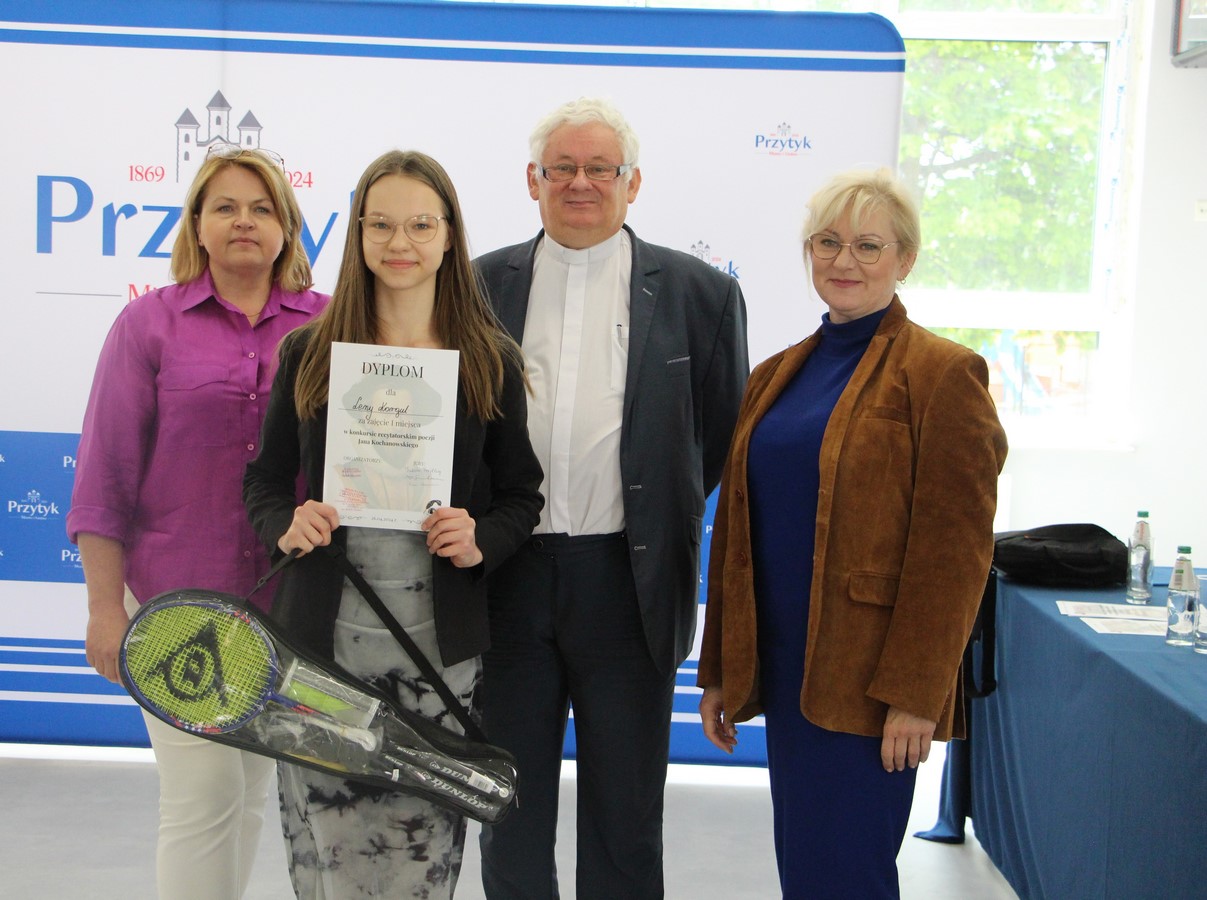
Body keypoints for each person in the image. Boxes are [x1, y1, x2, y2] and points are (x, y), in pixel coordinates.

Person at [697, 166, 1009, 899]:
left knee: (848, 875)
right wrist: (719, 666)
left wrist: (916, 693)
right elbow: (736, 538)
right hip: (785, 670)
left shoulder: (941, 374)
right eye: (828, 242)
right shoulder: (775, 374)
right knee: (807, 871)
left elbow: (955, 553)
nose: (845, 261)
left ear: (905, 259)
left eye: (869, 246)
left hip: (870, 682)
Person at [242, 149, 543, 899]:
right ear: (357, 235)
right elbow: (264, 483)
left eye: (419, 225)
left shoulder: (489, 361)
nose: (399, 242)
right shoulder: (310, 352)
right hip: (323, 646)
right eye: (380, 225)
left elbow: (521, 496)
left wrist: (479, 538)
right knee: (329, 854)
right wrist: (287, 524)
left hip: (438, 657)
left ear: (449, 236)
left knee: (419, 858)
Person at [475, 97, 750, 899]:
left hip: (629, 583)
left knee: (626, 816)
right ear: (532, 180)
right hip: (503, 579)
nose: (580, 183)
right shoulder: (477, 285)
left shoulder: (701, 294)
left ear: (633, 183)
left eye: (601, 169)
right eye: (562, 167)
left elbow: (718, 438)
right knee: (505, 806)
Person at [67, 144, 328, 900]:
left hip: (292, 605)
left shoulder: (329, 324)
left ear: (287, 227)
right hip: (177, 606)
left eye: (262, 208)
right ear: (197, 225)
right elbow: (105, 475)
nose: (244, 221)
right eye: (226, 207)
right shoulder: (147, 325)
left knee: (248, 790)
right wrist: (103, 609)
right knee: (203, 793)